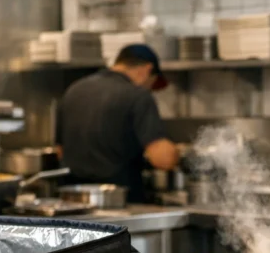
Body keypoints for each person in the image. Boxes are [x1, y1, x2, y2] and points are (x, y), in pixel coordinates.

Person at [57, 44, 179, 203]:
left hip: (74, 201)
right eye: (152, 83)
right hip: (119, 201)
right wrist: (179, 155)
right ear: (147, 70)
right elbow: (163, 159)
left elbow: (60, 150)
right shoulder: (137, 96)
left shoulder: (74, 90)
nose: (149, 89)